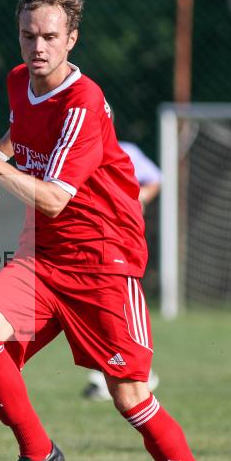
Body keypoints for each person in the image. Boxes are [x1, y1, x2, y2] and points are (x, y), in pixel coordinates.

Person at [0, 0, 225, 461]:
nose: (37, 47)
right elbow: (22, 130)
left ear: (72, 38)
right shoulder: (20, 81)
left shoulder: (84, 101)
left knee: (129, 397)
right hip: (44, 255)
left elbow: (53, 197)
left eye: (50, 37)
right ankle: (39, 453)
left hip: (103, 260)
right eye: (28, 35)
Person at [82, 140, 160, 401]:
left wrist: (135, 200)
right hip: (87, 243)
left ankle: (138, 374)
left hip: (117, 241)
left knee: (117, 306)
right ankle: (108, 374)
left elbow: (154, 179)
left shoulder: (126, 151)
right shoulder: (71, 145)